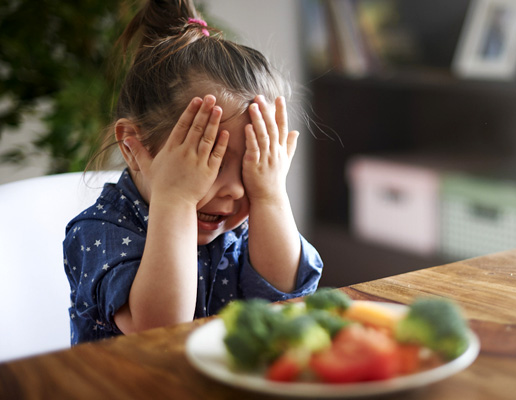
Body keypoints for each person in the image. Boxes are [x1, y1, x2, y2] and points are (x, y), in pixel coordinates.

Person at [63, 0, 322, 345]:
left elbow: (286, 296)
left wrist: (270, 194)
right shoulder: (101, 230)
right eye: (209, 161)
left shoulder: (245, 217)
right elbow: (159, 329)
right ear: (132, 146)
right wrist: (177, 199)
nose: (235, 190)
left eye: (251, 167)